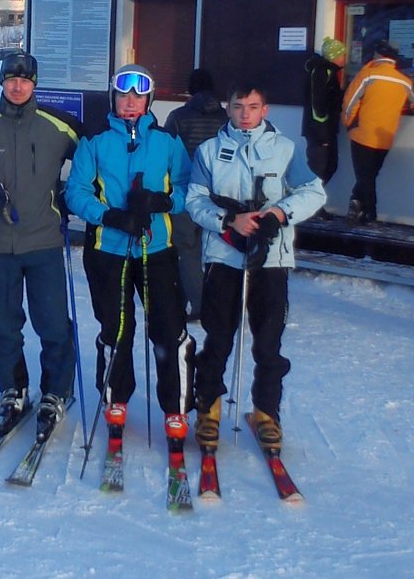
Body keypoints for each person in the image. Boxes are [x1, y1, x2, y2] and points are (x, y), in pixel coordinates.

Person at [65, 64, 195, 465]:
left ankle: (175, 407)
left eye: (139, 96)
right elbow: (76, 192)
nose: (131, 102)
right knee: (116, 328)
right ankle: (116, 399)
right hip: (108, 250)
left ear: (149, 100)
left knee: (168, 329)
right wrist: (110, 216)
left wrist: (162, 201)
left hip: (156, 249)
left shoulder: (167, 141)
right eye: (124, 95)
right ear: (114, 98)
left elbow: (189, 188)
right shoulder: (95, 140)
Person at [186, 84, 326, 452]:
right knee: (218, 338)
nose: (245, 114)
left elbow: (313, 191)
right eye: (238, 106)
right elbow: (195, 200)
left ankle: (266, 412)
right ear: (228, 109)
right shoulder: (210, 151)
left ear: (264, 110)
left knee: (268, 342)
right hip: (224, 256)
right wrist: (228, 220)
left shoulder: (284, 149)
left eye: (253, 106)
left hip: (271, 258)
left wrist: (279, 212)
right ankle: (208, 408)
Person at [0, 52, 82, 440]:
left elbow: (91, 163)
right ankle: (13, 390)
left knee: (53, 322)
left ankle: (56, 391)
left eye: (25, 81)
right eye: (11, 80)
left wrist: (72, 195)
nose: (17, 87)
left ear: (34, 84)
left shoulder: (60, 126)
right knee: (2, 324)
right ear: (2, 83)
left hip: (44, 239)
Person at [164, 68, 228, 320]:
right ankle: (220, 303)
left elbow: (167, 153)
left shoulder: (178, 116)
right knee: (217, 252)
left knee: (186, 250)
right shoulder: (226, 117)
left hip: (187, 191)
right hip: (219, 195)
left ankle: (200, 305)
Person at [341, 39, 414, 224]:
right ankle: (357, 205)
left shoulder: (367, 75)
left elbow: (350, 102)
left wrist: (348, 123)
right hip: (385, 137)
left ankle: (369, 213)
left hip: (363, 133)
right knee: (370, 175)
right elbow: (411, 103)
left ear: (378, 55)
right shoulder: (405, 81)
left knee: (364, 177)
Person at [303, 37, 346, 189]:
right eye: (341, 55)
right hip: (319, 132)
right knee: (319, 170)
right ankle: (307, 200)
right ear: (333, 56)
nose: (344, 59)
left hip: (327, 131)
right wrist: (323, 135)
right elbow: (317, 106)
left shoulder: (330, 72)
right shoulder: (321, 72)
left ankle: (314, 199)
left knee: (330, 166)